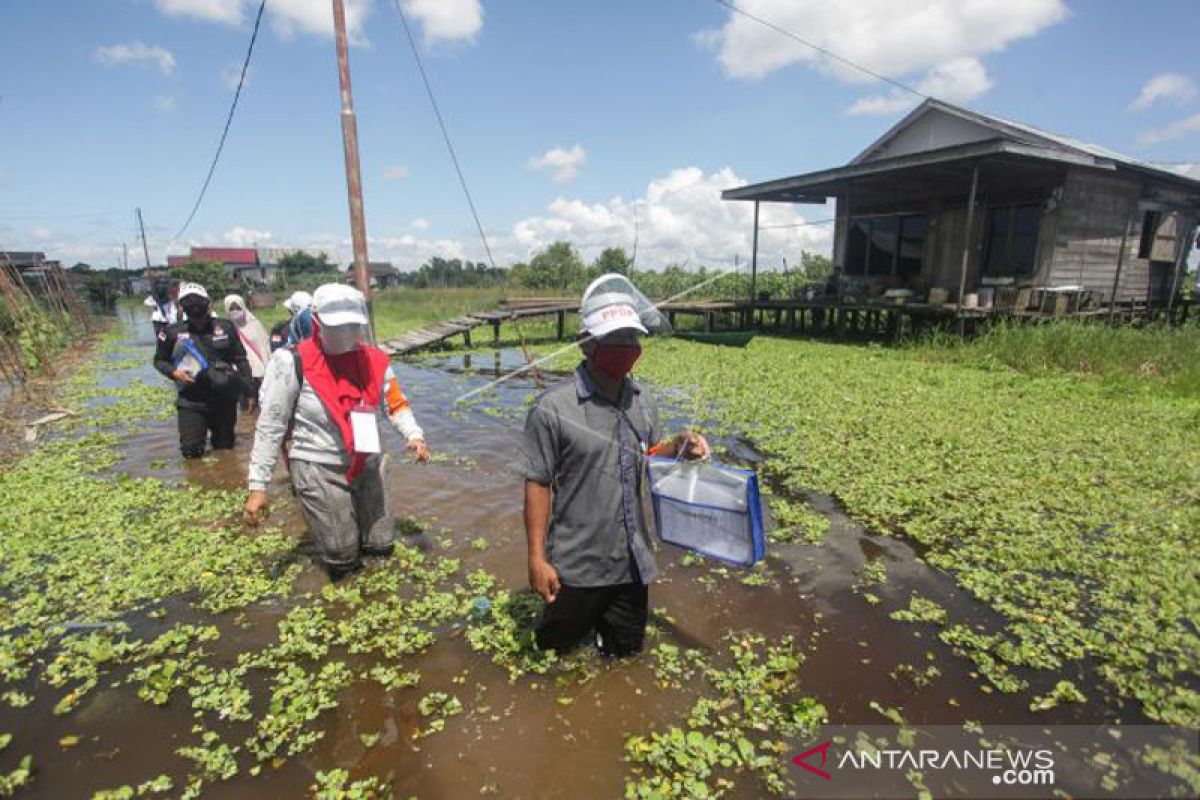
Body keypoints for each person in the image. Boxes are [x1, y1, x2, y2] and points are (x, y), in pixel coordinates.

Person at [518, 276, 709, 657]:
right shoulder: (552, 408)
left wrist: (678, 446)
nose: (626, 348)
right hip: (577, 565)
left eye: (631, 338)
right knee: (551, 655)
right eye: (614, 339)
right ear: (587, 343)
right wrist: (537, 559)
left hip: (631, 562)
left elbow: (647, 457)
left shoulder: (642, 401)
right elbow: (538, 483)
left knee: (625, 655)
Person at [243, 284, 431, 578]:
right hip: (319, 464)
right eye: (337, 326)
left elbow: (394, 402)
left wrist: (414, 435)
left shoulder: (375, 360)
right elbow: (271, 425)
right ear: (316, 321)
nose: (345, 333)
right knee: (342, 555)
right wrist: (258, 485)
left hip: (367, 459)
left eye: (352, 326)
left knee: (381, 545)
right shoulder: (292, 361)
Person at [153, 282, 252, 458]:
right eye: (190, 303)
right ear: (181, 307)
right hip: (191, 401)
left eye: (199, 302)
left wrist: (248, 390)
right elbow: (160, 361)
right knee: (191, 452)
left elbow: (241, 360)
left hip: (224, 399)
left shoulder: (226, 327)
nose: (195, 307)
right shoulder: (171, 333)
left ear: (209, 304)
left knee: (225, 450)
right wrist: (174, 373)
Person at [223, 294, 272, 413]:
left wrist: (267, 369)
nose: (235, 311)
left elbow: (264, 348)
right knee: (243, 404)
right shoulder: (225, 327)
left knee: (259, 402)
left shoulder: (255, 324)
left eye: (237, 308)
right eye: (231, 309)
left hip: (257, 372)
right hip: (238, 371)